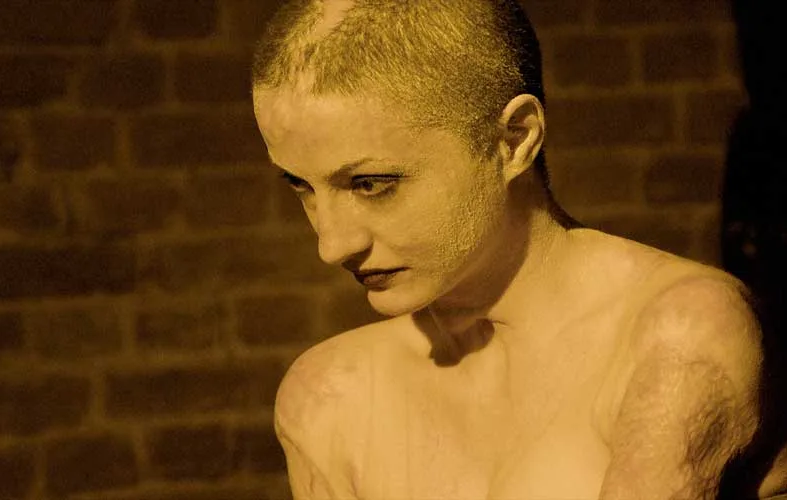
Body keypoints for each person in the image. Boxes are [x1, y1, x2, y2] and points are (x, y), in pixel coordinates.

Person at [249, 0, 787, 498]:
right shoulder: (328, 397)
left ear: (514, 139)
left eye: (371, 184)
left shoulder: (679, 333)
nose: (332, 245)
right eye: (301, 186)